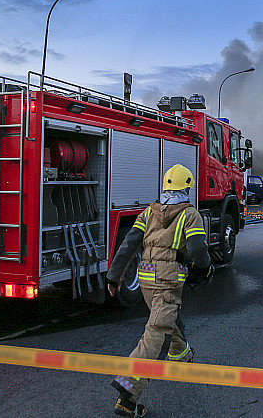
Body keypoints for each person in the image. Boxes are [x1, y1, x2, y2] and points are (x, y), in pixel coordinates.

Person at [107, 164, 213, 417]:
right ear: (187, 188)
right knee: (155, 334)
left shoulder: (148, 213)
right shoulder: (190, 215)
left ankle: (181, 353)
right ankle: (127, 395)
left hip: (146, 283)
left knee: (165, 318)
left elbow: (129, 244)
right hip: (168, 282)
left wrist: (114, 277)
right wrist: (205, 268)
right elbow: (198, 249)